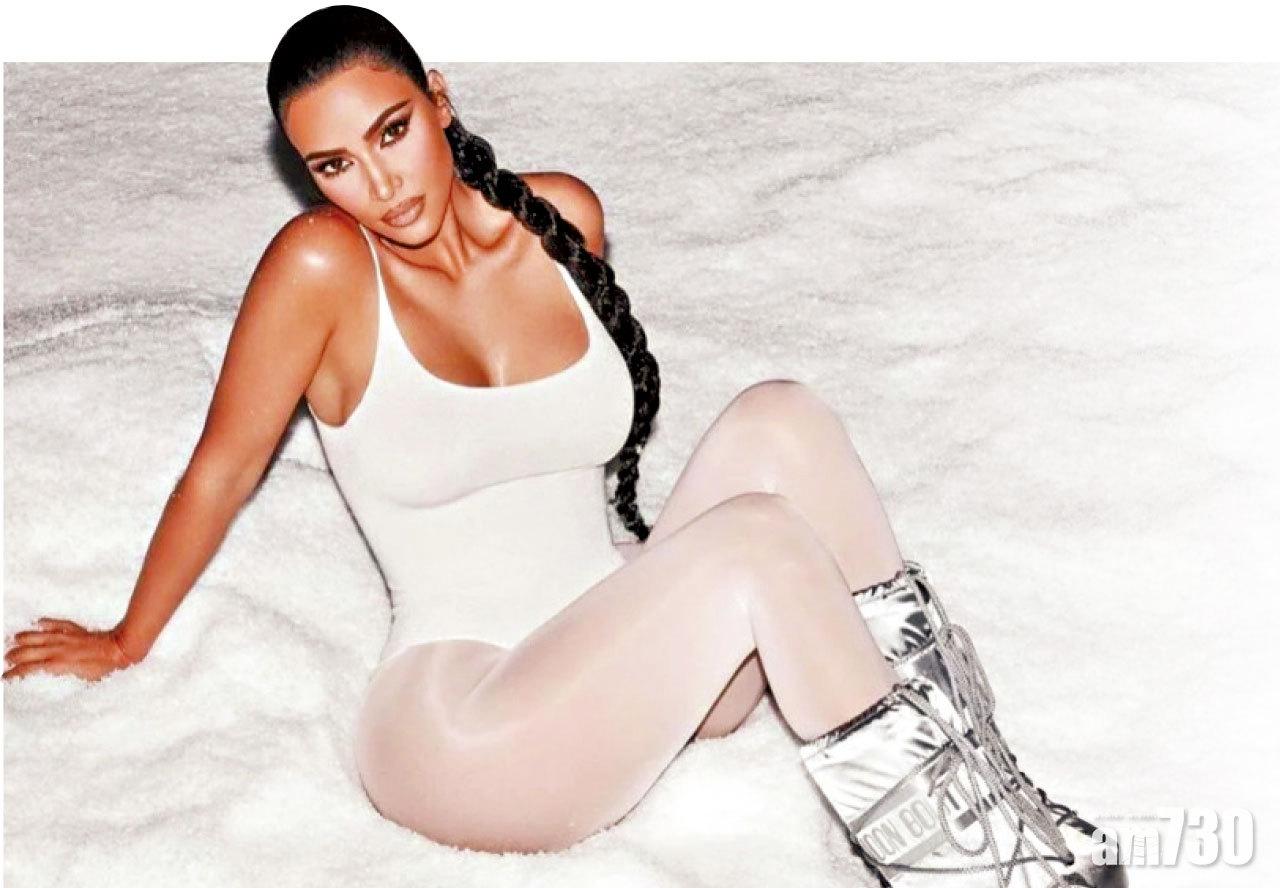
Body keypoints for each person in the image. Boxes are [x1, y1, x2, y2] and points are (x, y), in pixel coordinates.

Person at [2, 7, 1127, 886]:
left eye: (391, 131)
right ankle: (951, 869)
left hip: (620, 660)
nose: (378, 184)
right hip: (466, 734)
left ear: (438, 101)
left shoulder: (560, 220)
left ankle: (986, 790)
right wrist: (124, 638)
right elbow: (222, 467)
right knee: (753, 541)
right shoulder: (322, 270)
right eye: (334, 164)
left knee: (780, 416)